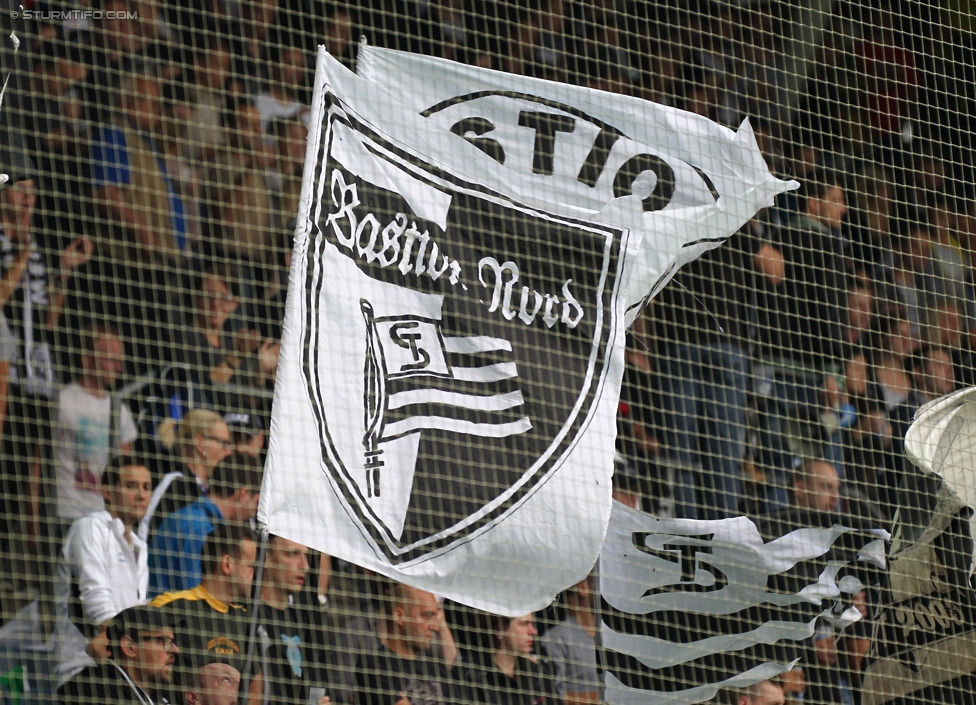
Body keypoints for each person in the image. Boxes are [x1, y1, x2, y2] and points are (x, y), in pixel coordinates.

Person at [754, 172, 850, 514]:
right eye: (836, 200)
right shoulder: (829, 244)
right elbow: (831, 310)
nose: (843, 209)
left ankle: (773, 529)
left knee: (778, 463)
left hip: (771, 367)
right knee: (822, 467)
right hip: (810, 374)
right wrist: (832, 371)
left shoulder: (778, 238)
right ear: (814, 202)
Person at [54, 456, 153, 687]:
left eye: (146, 487)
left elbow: (136, 610)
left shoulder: (140, 545)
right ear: (107, 492)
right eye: (131, 486)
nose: (141, 494)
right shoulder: (90, 527)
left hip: (122, 667)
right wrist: (130, 648)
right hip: (83, 668)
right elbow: (95, 600)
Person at [150, 523, 257, 692]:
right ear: (227, 564)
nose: (258, 576)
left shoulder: (249, 619)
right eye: (252, 567)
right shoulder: (171, 607)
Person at [54, 324, 139, 526]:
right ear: (87, 359)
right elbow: (40, 461)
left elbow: (125, 467)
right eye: (110, 359)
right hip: (67, 513)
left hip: (104, 517)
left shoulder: (120, 410)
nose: (117, 367)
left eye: (119, 361)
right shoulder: (64, 400)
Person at [149, 452, 262, 595]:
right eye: (256, 502)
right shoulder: (200, 529)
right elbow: (194, 599)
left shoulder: (192, 518)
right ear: (243, 494)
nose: (254, 513)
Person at [251, 535, 331, 705]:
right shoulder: (249, 618)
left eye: (306, 556)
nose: (305, 566)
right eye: (292, 554)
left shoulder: (307, 622)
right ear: (266, 558)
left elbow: (318, 682)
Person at [354, 582, 461, 705]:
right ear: (399, 616)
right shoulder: (374, 667)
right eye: (427, 616)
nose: (435, 627)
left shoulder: (437, 669)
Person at [139, 408, 233, 542]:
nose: (228, 452)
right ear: (200, 443)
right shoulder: (174, 483)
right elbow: (146, 534)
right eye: (223, 444)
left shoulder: (207, 490)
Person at [59, 604, 180, 705]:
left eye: (172, 642)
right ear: (129, 647)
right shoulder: (92, 691)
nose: (175, 649)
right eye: (163, 640)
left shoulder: (161, 698)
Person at [467, 613, 556, 704]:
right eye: (524, 624)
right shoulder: (472, 676)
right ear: (499, 630)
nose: (533, 631)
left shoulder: (536, 672)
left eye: (532, 624)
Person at [540, 574, 599, 704]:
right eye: (602, 584)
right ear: (582, 587)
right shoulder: (556, 639)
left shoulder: (613, 638)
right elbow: (550, 694)